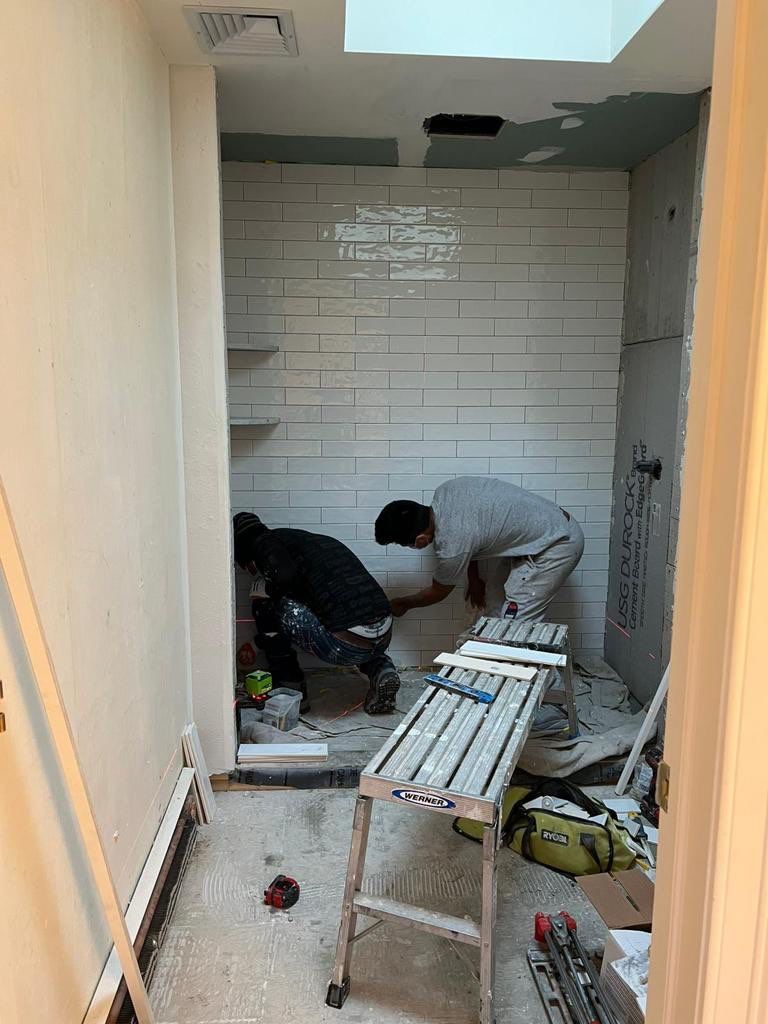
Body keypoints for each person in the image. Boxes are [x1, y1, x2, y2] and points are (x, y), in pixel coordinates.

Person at [233, 513, 400, 714]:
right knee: (347, 617)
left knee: (264, 600)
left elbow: (283, 575)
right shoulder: (308, 541)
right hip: (383, 633)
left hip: (344, 646)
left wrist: (266, 590)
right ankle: (381, 668)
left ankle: (289, 684)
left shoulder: (263, 545)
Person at [374, 476, 584, 622]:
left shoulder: (451, 546)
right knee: (494, 603)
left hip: (558, 543)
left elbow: (437, 593)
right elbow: (473, 535)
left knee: (518, 623)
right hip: (540, 534)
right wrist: (474, 580)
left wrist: (403, 603)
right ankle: (496, 668)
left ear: (419, 540)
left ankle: (541, 683)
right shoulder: (446, 491)